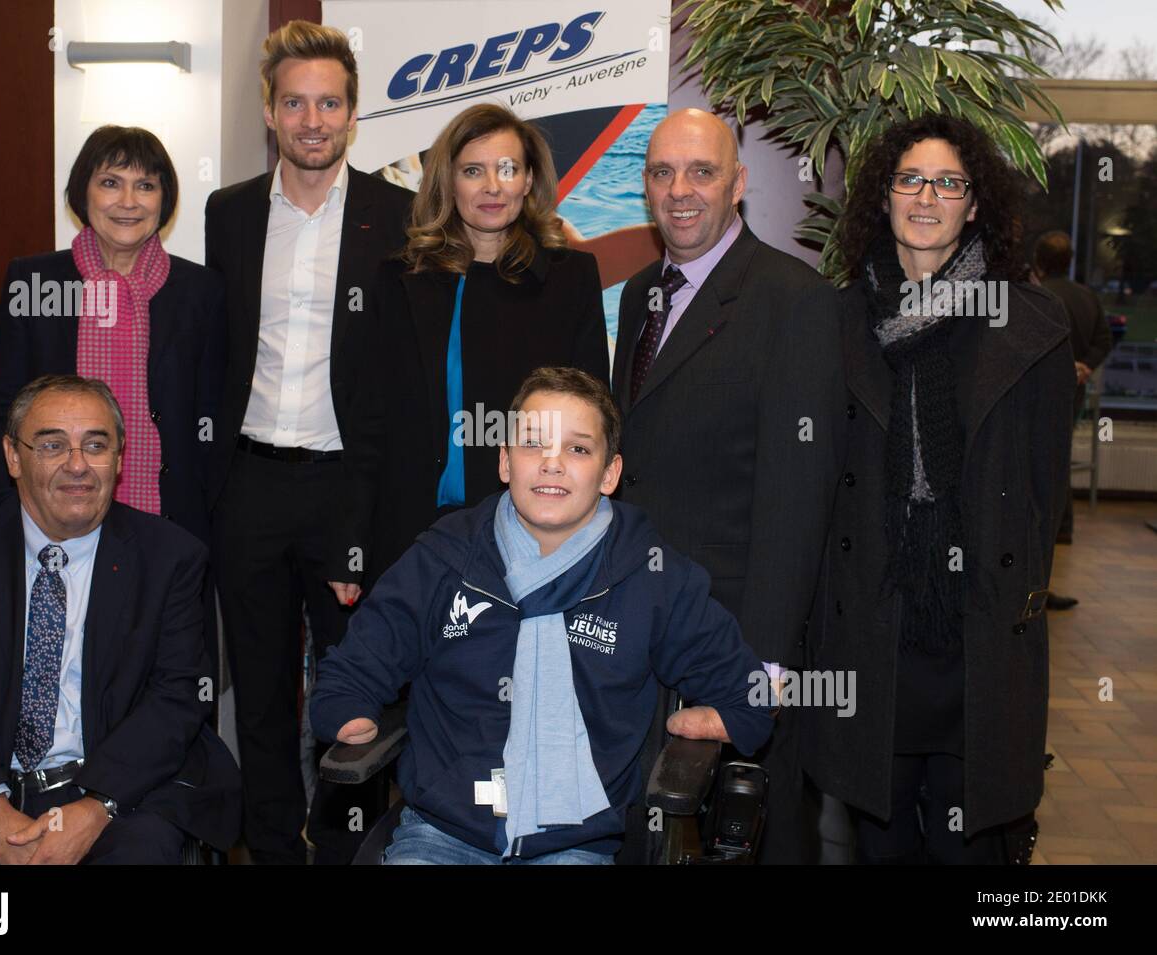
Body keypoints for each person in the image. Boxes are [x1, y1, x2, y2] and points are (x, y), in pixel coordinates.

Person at [312, 368, 773, 864]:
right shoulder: (443, 559)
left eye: (578, 449)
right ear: (506, 462)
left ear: (610, 473)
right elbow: (351, 672)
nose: (552, 463)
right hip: (443, 832)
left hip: (574, 844)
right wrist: (348, 717)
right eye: (533, 445)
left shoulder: (654, 576)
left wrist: (713, 721)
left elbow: (749, 696)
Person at [803, 114, 1074, 864]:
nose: (928, 197)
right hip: (874, 630)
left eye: (949, 182)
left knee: (971, 854)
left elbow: (1046, 489)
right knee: (880, 848)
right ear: (884, 197)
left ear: (975, 203)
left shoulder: (1030, 324)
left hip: (978, 633)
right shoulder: (835, 322)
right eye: (910, 179)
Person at [0, 376, 241, 864]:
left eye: (96, 445)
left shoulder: (170, 558)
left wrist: (95, 807)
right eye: (52, 444)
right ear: (13, 456)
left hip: (117, 793)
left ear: (119, 459)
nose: (77, 464)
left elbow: (176, 700)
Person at [610, 108, 844, 864]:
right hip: (644, 625)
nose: (680, 190)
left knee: (753, 844)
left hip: (735, 640)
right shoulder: (643, 291)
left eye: (701, 171)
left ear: (738, 184)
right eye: (662, 172)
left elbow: (798, 496)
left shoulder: (794, 300)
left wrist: (764, 673)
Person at [203, 20, 411, 865]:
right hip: (248, 482)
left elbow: (402, 382)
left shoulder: (397, 217)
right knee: (258, 691)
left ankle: (342, 848)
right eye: (296, 102)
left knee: (353, 692)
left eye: (329, 102)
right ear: (270, 111)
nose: (313, 119)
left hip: (345, 491)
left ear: (353, 115)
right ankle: (271, 848)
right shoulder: (228, 214)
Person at [342, 103, 609, 593]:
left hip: (529, 533)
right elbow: (369, 421)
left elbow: (592, 421)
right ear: (448, 182)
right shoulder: (401, 279)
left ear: (528, 181)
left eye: (507, 169)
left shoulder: (569, 280)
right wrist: (351, 544)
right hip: (409, 533)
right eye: (473, 171)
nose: (491, 186)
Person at [0, 125, 225, 551]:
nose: (128, 202)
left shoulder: (200, 291)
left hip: (171, 526)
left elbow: (212, 418)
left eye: (145, 186)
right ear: (82, 192)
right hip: (48, 518)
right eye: (110, 183)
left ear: (163, 200)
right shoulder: (35, 282)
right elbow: (1, 406)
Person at [1034, 230, 1114, 611]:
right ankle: (1062, 528)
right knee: (1059, 458)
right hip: (1074, 392)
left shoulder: (1037, 298)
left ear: (1039, 261)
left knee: (1040, 466)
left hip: (1038, 397)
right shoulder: (1087, 297)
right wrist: (1084, 367)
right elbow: (1103, 341)